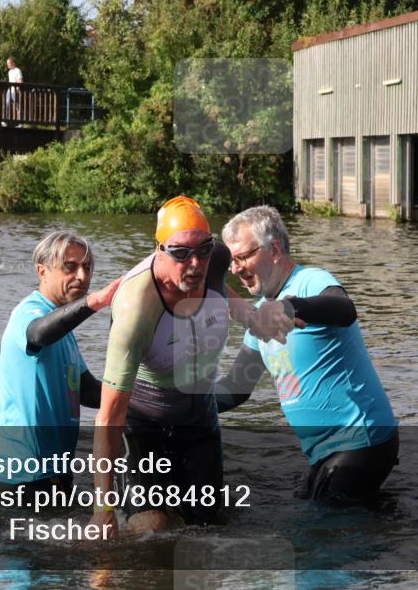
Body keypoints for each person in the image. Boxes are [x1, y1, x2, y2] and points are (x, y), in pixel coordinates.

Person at [87, 196, 291, 537]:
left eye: (204, 249)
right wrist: (101, 510)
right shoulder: (137, 307)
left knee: (209, 527)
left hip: (199, 421)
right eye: (181, 253)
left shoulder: (213, 261)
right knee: (152, 527)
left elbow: (220, 288)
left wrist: (254, 319)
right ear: (159, 250)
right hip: (145, 426)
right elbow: (108, 417)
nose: (195, 263)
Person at [215, 205, 399, 504]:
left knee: (320, 531)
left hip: (362, 440)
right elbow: (236, 389)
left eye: (243, 257)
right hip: (323, 450)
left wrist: (291, 307)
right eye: (232, 261)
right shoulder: (262, 315)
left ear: (274, 249)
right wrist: (177, 402)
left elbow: (344, 310)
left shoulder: (310, 280)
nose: (235, 269)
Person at [0, 230, 122, 502]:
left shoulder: (65, 331)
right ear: (42, 271)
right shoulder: (29, 312)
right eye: (70, 267)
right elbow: (37, 334)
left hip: (55, 473)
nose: (82, 276)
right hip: (21, 474)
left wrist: (141, 390)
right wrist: (94, 302)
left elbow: (88, 391)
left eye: (87, 267)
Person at [4, 57, 23, 124]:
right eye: (7, 63)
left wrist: (18, 88)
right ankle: (5, 121)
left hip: (15, 91)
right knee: (6, 105)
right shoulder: (9, 72)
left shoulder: (18, 70)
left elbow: (20, 80)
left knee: (17, 106)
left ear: (13, 63)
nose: (7, 65)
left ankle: (20, 122)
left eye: (8, 63)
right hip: (10, 90)